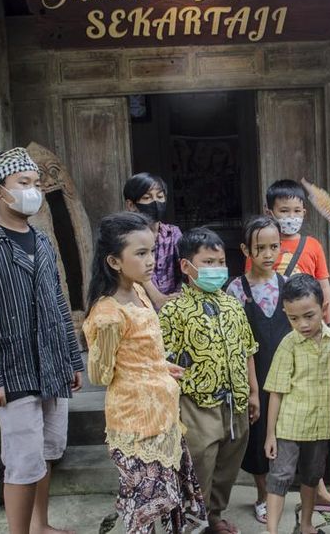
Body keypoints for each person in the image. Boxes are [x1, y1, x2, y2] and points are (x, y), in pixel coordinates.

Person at [0, 147, 83, 534]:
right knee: (23, 462)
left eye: (37, 184)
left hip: (52, 365)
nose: (33, 191)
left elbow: (59, 302)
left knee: (45, 454)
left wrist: (72, 360)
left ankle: (41, 526)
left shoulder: (41, 242)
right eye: (23, 184)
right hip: (12, 371)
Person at [82, 212, 207, 533]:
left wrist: (159, 367)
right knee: (147, 510)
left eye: (152, 251)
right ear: (114, 261)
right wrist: (146, 373)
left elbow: (137, 354)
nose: (151, 261)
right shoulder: (108, 314)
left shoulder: (138, 293)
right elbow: (101, 375)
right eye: (140, 253)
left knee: (169, 503)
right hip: (137, 424)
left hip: (162, 416)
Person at [159, 227, 260, 534]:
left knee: (228, 463)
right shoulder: (173, 310)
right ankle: (193, 522)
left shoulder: (232, 304)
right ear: (186, 266)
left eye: (219, 262)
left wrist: (253, 392)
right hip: (197, 403)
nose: (216, 268)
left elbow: (248, 348)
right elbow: (163, 362)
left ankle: (214, 515)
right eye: (208, 262)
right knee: (200, 464)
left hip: (236, 400)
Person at [226, 215, 291, 524]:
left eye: (274, 247)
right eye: (261, 247)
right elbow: (237, 343)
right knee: (259, 435)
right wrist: (250, 387)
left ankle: (300, 490)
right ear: (246, 250)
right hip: (256, 374)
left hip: (287, 375)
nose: (268, 254)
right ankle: (263, 495)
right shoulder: (237, 290)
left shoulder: (288, 285)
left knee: (289, 431)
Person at [263, 274, 330, 534]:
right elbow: (276, 392)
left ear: (323, 308)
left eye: (309, 316)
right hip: (289, 427)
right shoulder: (288, 345)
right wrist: (270, 434)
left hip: (321, 426)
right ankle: (271, 531)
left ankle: (306, 524)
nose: (302, 324)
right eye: (293, 318)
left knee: (312, 477)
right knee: (279, 477)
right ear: (286, 314)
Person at [246, 179, 330, 325]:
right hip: (273, 320)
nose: (291, 216)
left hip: (307, 320)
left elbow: (323, 286)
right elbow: (251, 284)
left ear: (304, 212)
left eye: (297, 211)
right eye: (284, 211)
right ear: (269, 212)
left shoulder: (313, 245)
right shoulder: (259, 246)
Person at [124, 173, 183, 310]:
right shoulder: (125, 236)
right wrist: (157, 298)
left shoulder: (173, 234)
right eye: (147, 197)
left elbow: (185, 266)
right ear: (131, 205)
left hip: (172, 307)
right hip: (138, 308)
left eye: (160, 196)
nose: (155, 202)